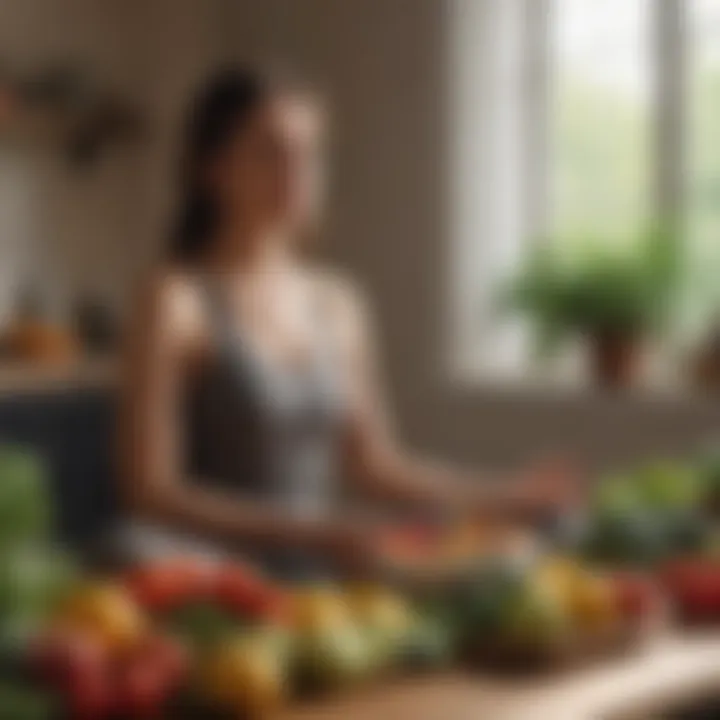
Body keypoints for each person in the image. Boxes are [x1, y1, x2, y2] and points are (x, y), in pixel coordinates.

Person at [117, 65, 577, 578]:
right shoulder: (174, 299)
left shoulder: (338, 303)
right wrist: (320, 532)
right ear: (212, 167)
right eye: (270, 151)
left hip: (320, 583)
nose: (295, 174)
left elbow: (376, 468)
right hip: (212, 589)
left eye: (310, 154)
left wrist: (500, 495)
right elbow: (149, 492)